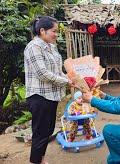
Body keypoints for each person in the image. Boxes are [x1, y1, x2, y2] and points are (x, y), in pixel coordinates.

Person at [24, 16, 71, 164]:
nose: (56, 34)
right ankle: (35, 161)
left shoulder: (51, 46)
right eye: (54, 31)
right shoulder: (33, 47)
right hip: (39, 96)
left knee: (48, 130)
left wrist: (69, 77)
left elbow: (57, 71)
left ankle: (41, 159)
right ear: (42, 30)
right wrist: (67, 81)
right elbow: (42, 73)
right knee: (40, 133)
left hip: (51, 95)